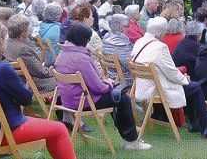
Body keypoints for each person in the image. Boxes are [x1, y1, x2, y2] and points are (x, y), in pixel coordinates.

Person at [0, 23, 76, 159]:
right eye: (5, 39)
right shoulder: (2, 69)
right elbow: (26, 99)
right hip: (8, 131)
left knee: (54, 131)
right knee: (59, 128)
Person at [55, 22, 150, 150]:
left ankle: (127, 137)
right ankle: (131, 141)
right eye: (88, 39)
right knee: (122, 99)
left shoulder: (62, 53)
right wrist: (108, 84)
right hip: (83, 101)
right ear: (84, 39)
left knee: (116, 96)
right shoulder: (81, 58)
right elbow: (98, 87)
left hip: (69, 101)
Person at [131, 17, 207, 139]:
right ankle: (205, 126)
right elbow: (171, 72)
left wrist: (182, 79)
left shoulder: (140, 42)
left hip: (143, 85)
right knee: (195, 87)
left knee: (190, 86)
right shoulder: (160, 47)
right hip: (156, 89)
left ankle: (194, 123)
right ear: (161, 32)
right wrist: (185, 79)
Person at [101, 14, 134, 83]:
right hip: (126, 78)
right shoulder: (121, 43)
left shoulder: (106, 37)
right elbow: (130, 65)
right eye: (127, 26)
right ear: (121, 28)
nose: (128, 28)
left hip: (111, 75)